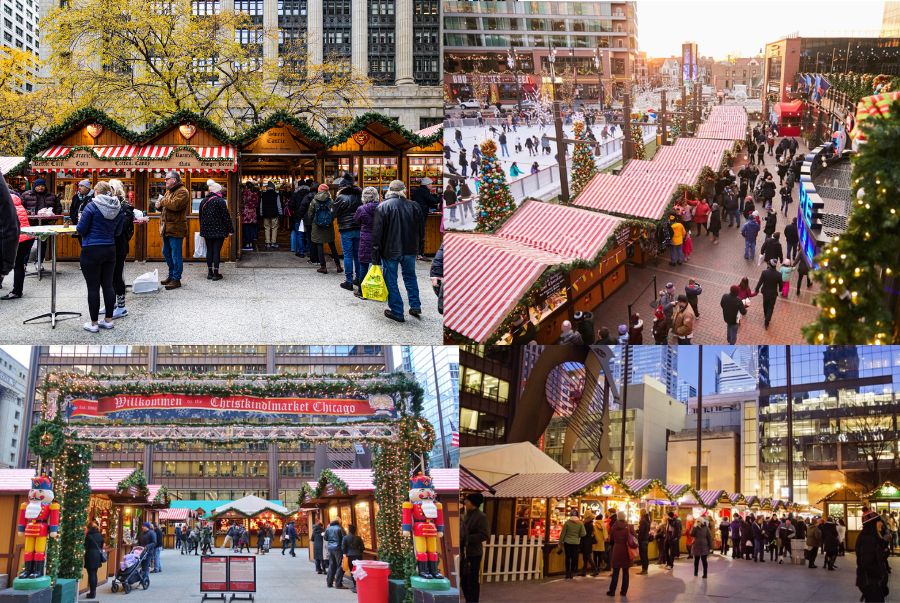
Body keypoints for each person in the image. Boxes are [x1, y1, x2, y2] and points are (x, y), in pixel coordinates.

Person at [75, 181, 123, 333]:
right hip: (110, 249)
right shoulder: (117, 207)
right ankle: (108, 320)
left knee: (93, 288)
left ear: (96, 192)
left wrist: (79, 222)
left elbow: (81, 229)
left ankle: (94, 323)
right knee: (108, 285)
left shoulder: (91, 206)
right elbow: (118, 231)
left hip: (91, 249)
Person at [371, 180, 422, 323]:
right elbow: (420, 230)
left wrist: (375, 257)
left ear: (389, 191)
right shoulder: (414, 206)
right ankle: (415, 305)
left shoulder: (383, 206)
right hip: (410, 249)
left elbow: (377, 234)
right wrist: (419, 249)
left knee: (391, 280)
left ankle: (397, 311)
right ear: (403, 190)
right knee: (410, 277)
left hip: (390, 250)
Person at [158, 170, 189, 290]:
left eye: (167, 179)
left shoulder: (183, 191)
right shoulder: (169, 192)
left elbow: (175, 206)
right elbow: (167, 208)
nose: (165, 180)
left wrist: (163, 202)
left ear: (174, 180)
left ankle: (176, 279)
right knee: (166, 253)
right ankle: (171, 275)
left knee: (176, 255)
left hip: (176, 228)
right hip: (167, 228)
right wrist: (159, 207)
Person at [0, 193, 34, 301]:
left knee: (16, 264)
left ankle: (16, 291)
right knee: (19, 264)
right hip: (26, 237)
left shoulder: (5, 205)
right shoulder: (18, 204)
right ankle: (17, 290)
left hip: (16, 238)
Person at [198, 179, 233, 281]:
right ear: (218, 191)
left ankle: (209, 273)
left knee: (209, 251)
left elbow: (201, 217)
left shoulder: (203, 201)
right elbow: (226, 217)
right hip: (219, 230)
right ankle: (216, 274)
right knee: (216, 251)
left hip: (206, 230)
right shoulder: (220, 201)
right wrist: (230, 229)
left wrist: (202, 229)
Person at [332, 175, 363, 289]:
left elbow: (334, 213)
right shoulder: (360, 196)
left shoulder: (341, 197)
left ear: (342, 187)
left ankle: (349, 281)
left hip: (346, 229)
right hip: (359, 228)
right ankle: (359, 278)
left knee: (348, 255)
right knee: (357, 255)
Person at [308, 184, 343, 274]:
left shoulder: (314, 201)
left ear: (319, 190)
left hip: (317, 226)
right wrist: (329, 221)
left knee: (319, 245)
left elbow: (310, 214)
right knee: (332, 245)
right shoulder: (331, 201)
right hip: (328, 226)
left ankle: (323, 267)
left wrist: (315, 221)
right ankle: (338, 266)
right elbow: (333, 214)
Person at [461, 493, 490, 603]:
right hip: (464, 553)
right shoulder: (466, 514)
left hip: (474, 553)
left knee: (472, 580)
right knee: (464, 580)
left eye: (467, 501)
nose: (465, 502)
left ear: (472, 503)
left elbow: (484, 534)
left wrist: (466, 538)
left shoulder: (481, 517)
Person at [857, 509, 889, 602]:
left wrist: (884, 544)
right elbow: (867, 563)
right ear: (872, 524)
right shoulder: (867, 539)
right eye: (879, 521)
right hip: (871, 583)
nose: (881, 524)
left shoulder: (871, 537)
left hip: (872, 582)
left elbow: (875, 555)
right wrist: (880, 578)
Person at [411, 177, 438, 261]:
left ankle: (416, 253)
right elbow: (433, 201)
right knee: (421, 234)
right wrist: (440, 198)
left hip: (416, 214)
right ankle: (420, 254)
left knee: (417, 234)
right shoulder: (424, 191)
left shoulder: (418, 191)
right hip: (421, 215)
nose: (431, 185)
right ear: (426, 185)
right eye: (430, 184)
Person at [607, 514, 634, 597]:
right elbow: (632, 539)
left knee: (615, 572)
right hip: (626, 550)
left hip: (616, 550)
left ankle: (612, 591)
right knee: (625, 572)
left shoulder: (614, 527)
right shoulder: (628, 527)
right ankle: (623, 591)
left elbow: (611, 540)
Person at [755, 260, 784, 328]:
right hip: (773, 294)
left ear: (770, 265)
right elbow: (781, 285)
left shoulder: (764, 272)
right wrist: (780, 290)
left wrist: (757, 289)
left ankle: (766, 315)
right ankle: (767, 320)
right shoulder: (779, 274)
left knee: (765, 305)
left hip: (765, 292)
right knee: (771, 307)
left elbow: (760, 282)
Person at [559, 509, 586, 579]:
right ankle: (572, 572)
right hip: (576, 543)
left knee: (568, 557)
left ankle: (567, 573)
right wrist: (578, 536)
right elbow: (584, 533)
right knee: (574, 557)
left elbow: (563, 533)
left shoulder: (567, 523)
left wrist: (560, 542)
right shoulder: (580, 523)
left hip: (567, 542)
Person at [83, 521, 104, 599]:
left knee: (91, 574)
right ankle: (94, 591)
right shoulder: (99, 535)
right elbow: (102, 545)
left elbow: (85, 546)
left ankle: (92, 593)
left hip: (90, 556)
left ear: (89, 528)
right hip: (97, 556)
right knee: (94, 573)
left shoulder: (88, 536)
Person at [69, 179, 93, 245]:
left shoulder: (93, 196)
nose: (79, 187)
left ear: (88, 188)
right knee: (81, 243)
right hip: (78, 224)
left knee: (88, 244)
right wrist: (73, 218)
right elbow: (72, 209)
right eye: (79, 186)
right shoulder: (76, 197)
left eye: (82, 186)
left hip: (89, 225)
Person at [259, 181, 281, 250]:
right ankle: (273, 243)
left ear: (267, 188)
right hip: (274, 214)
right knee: (274, 228)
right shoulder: (276, 194)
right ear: (273, 187)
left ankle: (268, 243)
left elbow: (261, 205)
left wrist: (261, 213)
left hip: (266, 214)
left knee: (267, 228)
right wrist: (280, 213)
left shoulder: (263, 194)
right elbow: (279, 205)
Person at [324, 519, 346, 588]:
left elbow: (325, 538)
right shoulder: (340, 528)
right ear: (338, 523)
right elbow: (344, 538)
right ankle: (338, 584)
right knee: (340, 565)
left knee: (331, 565)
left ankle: (329, 582)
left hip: (330, 548)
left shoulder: (328, 529)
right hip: (338, 549)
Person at [342, 525, 364, 593]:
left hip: (350, 555)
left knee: (352, 570)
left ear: (349, 530)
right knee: (359, 570)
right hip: (358, 555)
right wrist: (359, 551)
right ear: (355, 530)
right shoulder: (358, 538)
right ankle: (359, 585)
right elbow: (362, 547)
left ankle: (355, 585)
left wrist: (345, 553)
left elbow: (343, 548)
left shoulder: (345, 538)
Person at [240, 182, 260, 251]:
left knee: (246, 229)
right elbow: (257, 204)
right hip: (253, 213)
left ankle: (247, 244)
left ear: (246, 186)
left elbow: (242, 202)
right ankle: (251, 243)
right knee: (251, 228)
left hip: (246, 213)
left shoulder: (245, 193)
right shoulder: (255, 193)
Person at [580, 512, 598, 576]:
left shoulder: (587, 524)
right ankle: (584, 571)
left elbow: (584, 533)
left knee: (588, 557)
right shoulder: (590, 524)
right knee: (586, 557)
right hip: (588, 542)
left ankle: (595, 570)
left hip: (586, 542)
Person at [637, 510, 650, 575]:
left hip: (642, 540)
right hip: (646, 540)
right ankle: (645, 569)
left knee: (643, 555)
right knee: (645, 555)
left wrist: (638, 540)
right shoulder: (647, 520)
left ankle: (644, 570)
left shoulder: (643, 521)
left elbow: (641, 532)